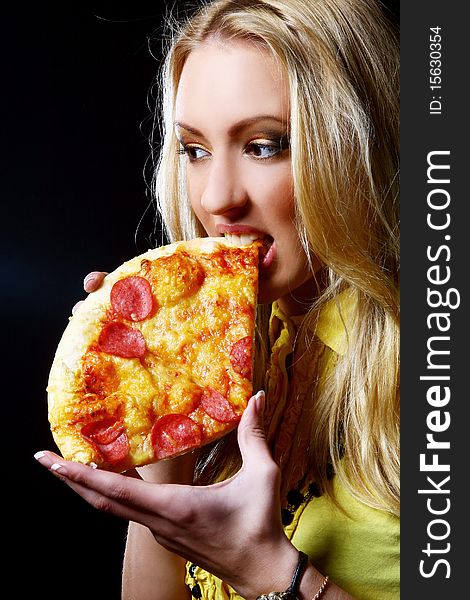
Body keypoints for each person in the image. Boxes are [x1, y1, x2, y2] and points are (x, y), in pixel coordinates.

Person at [35, 0, 400, 598]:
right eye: (195, 150)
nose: (217, 199)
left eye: (265, 145)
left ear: (355, 146)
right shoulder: (242, 347)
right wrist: (162, 434)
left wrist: (267, 571)